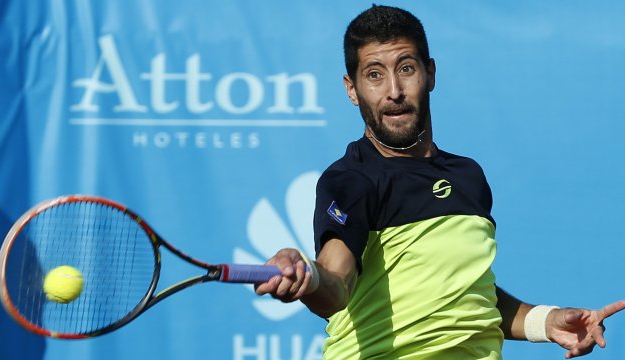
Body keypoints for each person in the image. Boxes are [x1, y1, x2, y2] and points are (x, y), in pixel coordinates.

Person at [255, 5, 625, 359]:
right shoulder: (351, 180)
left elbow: (466, 294)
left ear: (430, 73)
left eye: (406, 68)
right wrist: (308, 276)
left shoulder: (468, 176)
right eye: (374, 75)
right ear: (351, 89)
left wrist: (545, 321)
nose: (394, 91)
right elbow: (336, 285)